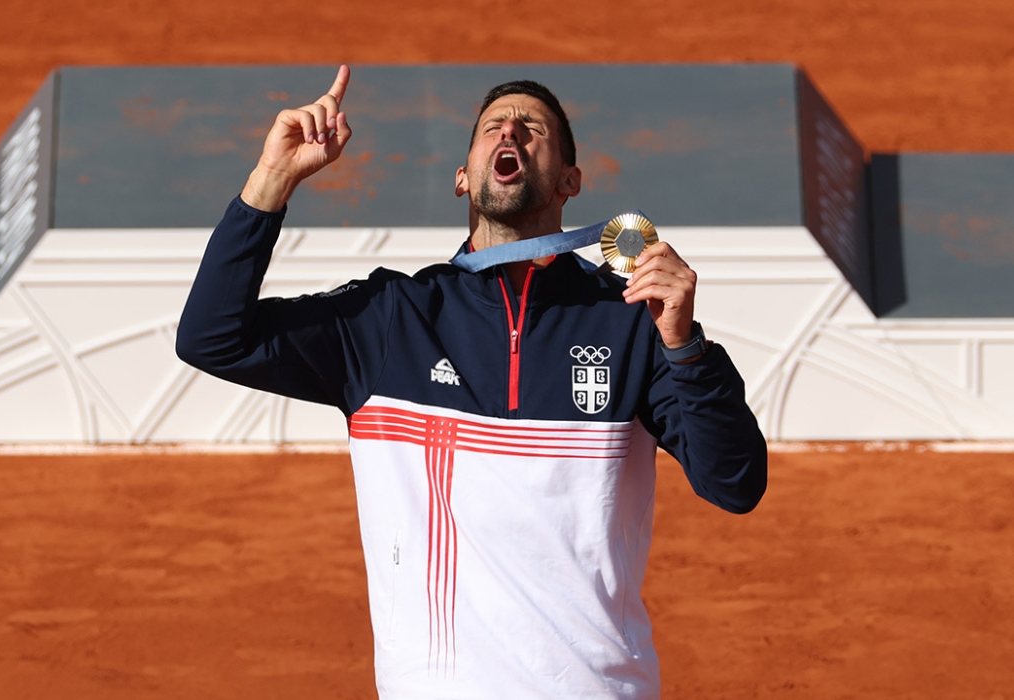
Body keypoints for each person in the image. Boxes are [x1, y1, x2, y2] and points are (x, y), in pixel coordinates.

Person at [176, 64, 767, 700]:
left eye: (532, 128)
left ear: (571, 181)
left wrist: (684, 344)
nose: (510, 129)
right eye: (492, 127)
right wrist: (272, 181)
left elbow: (734, 483)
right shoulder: (392, 319)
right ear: (464, 178)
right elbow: (213, 337)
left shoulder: (630, 322)